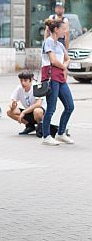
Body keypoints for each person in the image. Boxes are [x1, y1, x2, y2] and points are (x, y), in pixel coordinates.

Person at [40, 18, 75, 146]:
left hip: (60, 77)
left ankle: (60, 133)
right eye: (62, 29)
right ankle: (46, 136)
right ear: (55, 30)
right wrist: (64, 65)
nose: (64, 32)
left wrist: (63, 66)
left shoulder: (60, 45)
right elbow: (53, 61)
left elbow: (67, 58)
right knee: (51, 108)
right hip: (51, 78)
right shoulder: (48, 42)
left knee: (70, 106)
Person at [7, 70, 46, 136]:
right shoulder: (19, 88)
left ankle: (40, 126)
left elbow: (38, 104)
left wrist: (23, 112)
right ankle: (30, 126)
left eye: (25, 80)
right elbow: (13, 102)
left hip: (41, 112)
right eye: (21, 81)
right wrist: (13, 106)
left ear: (31, 80)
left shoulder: (37, 86)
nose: (23, 83)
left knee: (37, 111)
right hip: (29, 112)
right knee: (9, 111)